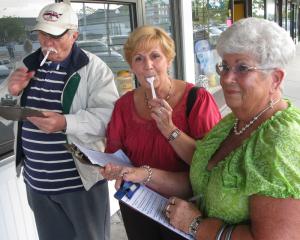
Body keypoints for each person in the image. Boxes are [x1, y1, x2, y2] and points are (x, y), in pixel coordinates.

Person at [119, 18, 300, 239]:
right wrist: (145, 175)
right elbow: (203, 179)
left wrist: (195, 225)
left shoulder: (281, 139)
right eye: (225, 66)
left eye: (242, 68)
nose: (226, 78)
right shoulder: (232, 123)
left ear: (275, 78)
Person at [0, 2, 118, 240]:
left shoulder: (93, 69)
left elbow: (109, 118)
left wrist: (65, 123)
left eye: (55, 35)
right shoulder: (27, 65)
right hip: (38, 184)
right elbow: (4, 113)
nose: (47, 42)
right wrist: (10, 92)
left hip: (80, 185)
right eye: (42, 34)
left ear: (74, 35)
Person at [101, 25, 221, 240]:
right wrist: (113, 168)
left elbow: (210, 163)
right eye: (138, 58)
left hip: (184, 207)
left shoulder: (197, 99)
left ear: (168, 59)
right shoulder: (123, 105)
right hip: (137, 203)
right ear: (131, 66)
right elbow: (115, 154)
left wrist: (169, 129)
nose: (148, 65)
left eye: (155, 56)